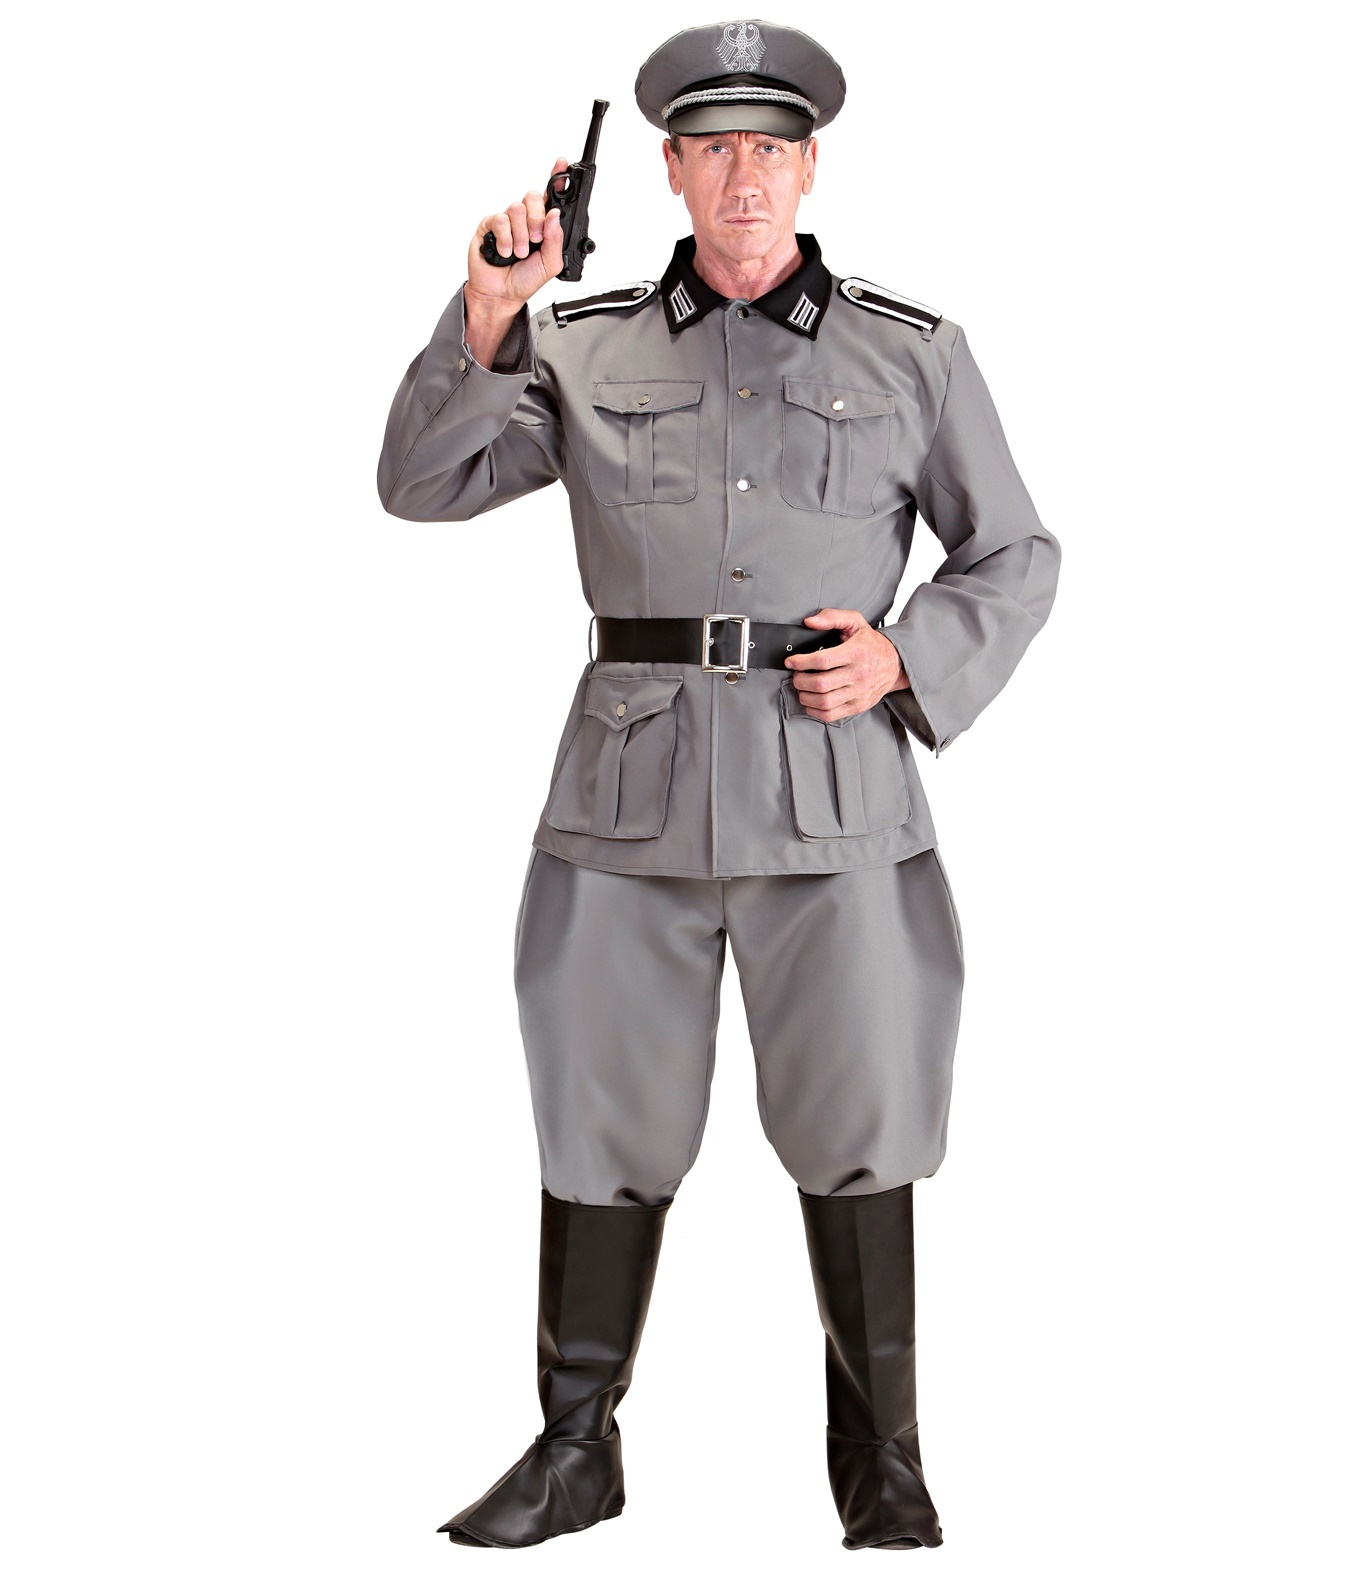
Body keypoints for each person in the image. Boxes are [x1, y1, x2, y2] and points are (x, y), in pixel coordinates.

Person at [377, 18, 1061, 1552]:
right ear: (669, 171)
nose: (742, 177)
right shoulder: (580, 341)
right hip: (624, 805)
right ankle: (575, 1450)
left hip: (835, 794)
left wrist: (905, 657)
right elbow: (420, 484)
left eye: (770, 149)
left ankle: (880, 1464)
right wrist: (489, 310)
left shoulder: (911, 354)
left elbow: (1015, 553)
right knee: (597, 1114)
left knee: (864, 1113)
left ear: (809, 168)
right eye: (711, 151)